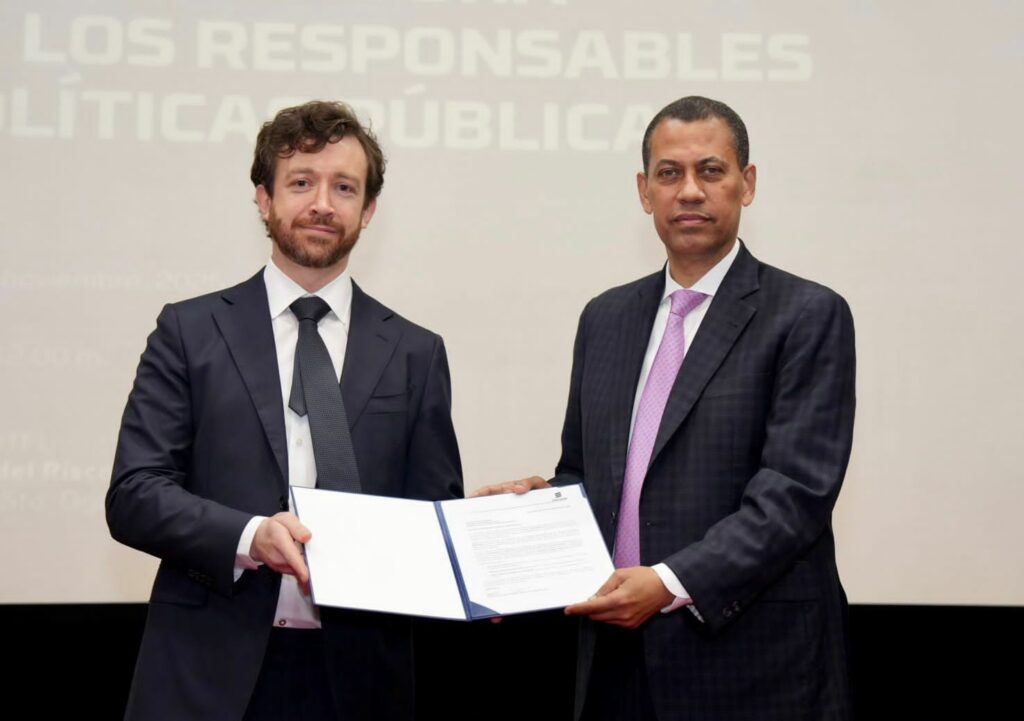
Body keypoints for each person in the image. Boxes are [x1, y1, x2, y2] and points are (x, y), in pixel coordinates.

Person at [476, 96, 855, 720]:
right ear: (644, 190)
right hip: (613, 661)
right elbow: (586, 474)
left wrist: (669, 583)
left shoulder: (806, 315)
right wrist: (534, 514)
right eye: (669, 173)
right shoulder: (606, 318)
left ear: (747, 183)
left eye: (711, 171)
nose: (690, 191)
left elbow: (795, 496)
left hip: (751, 666)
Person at [106, 100, 462, 721]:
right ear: (263, 198)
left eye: (344, 187)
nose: (322, 203)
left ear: (368, 210)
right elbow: (135, 494)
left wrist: (478, 532)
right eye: (301, 183)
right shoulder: (189, 331)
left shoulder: (416, 352)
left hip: (360, 684)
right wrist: (252, 537)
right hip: (206, 675)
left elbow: (431, 519)